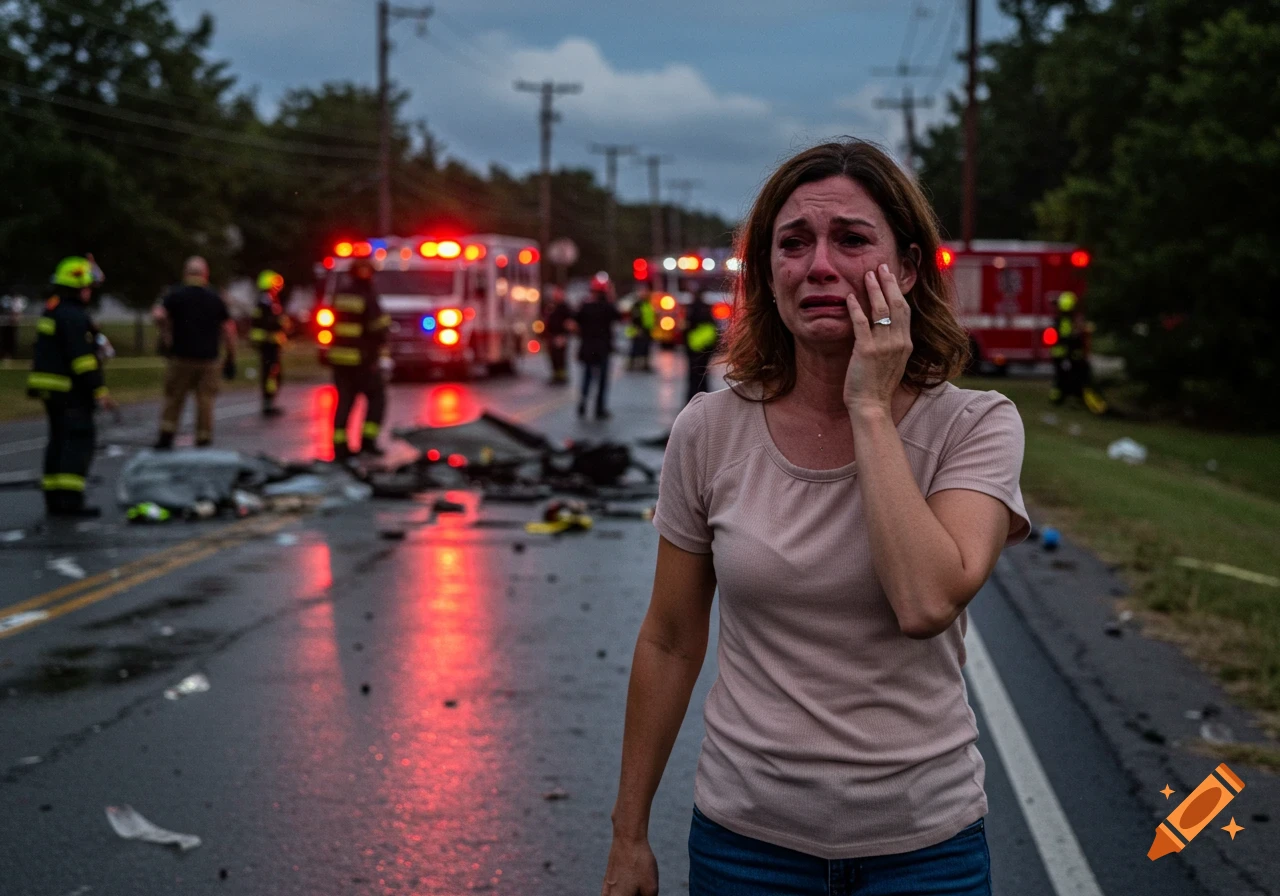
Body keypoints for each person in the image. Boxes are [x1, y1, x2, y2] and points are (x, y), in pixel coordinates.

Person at [602, 139, 1030, 896]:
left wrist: (868, 403)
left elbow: (926, 601)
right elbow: (669, 641)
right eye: (793, 244)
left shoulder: (975, 426)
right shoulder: (708, 430)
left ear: (907, 267)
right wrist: (628, 834)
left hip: (925, 850)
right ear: (768, 274)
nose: (819, 265)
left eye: (852, 239)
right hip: (746, 848)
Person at [26, 257, 117, 517]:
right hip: (70, 391)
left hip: (52, 390)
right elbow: (83, 361)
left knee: (58, 441)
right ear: (77, 286)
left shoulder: (54, 310)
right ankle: (70, 501)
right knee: (77, 441)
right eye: (87, 286)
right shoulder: (74, 316)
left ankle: (55, 500)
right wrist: (99, 391)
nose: (90, 291)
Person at [152, 256, 237, 449]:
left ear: (185, 273)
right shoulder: (215, 298)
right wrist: (231, 357)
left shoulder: (175, 295)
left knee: (174, 397)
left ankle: (167, 434)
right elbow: (229, 330)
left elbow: (158, 314)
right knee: (205, 400)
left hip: (180, 357)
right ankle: (203, 438)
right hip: (209, 360)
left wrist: (166, 335)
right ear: (205, 274)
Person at [328, 257, 390, 461]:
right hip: (361, 359)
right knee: (377, 397)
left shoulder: (340, 294)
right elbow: (377, 328)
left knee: (344, 401)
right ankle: (368, 442)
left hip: (339, 358)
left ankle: (340, 447)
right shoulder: (367, 295)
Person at [1048, 291, 1107, 415]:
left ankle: (1061, 399)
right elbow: (1069, 340)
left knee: (1063, 379)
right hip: (1066, 356)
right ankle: (1061, 399)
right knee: (1066, 379)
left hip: (1064, 356)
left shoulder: (1060, 320)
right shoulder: (1066, 322)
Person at [574, 273, 620, 420]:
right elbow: (618, 316)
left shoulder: (585, 306)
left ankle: (583, 404)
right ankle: (599, 409)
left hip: (587, 347)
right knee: (602, 381)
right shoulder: (608, 307)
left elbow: (575, 322)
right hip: (603, 348)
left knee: (587, 378)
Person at [250, 269, 289, 417]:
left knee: (273, 374)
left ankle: (270, 401)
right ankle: (268, 403)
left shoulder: (268, 300)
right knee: (270, 374)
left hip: (271, 344)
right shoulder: (266, 301)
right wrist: (281, 322)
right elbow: (269, 322)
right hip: (268, 344)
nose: (278, 287)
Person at [683, 288, 719, 403]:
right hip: (706, 348)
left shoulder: (692, 309)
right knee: (703, 375)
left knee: (693, 377)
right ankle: (704, 399)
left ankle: (691, 399)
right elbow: (713, 329)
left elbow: (687, 328)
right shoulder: (707, 309)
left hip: (694, 347)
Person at [542, 285, 572, 386]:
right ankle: (555, 376)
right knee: (553, 357)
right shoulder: (552, 306)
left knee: (560, 358)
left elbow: (569, 323)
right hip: (552, 335)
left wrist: (564, 336)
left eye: (558, 293)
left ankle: (562, 377)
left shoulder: (565, 307)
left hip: (560, 336)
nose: (556, 295)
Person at [625, 289, 655, 372]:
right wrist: (638, 329)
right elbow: (635, 317)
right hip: (639, 330)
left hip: (647, 329)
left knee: (646, 348)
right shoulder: (637, 305)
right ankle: (631, 364)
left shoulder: (647, 304)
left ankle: (645, 364)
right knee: (636, 347)